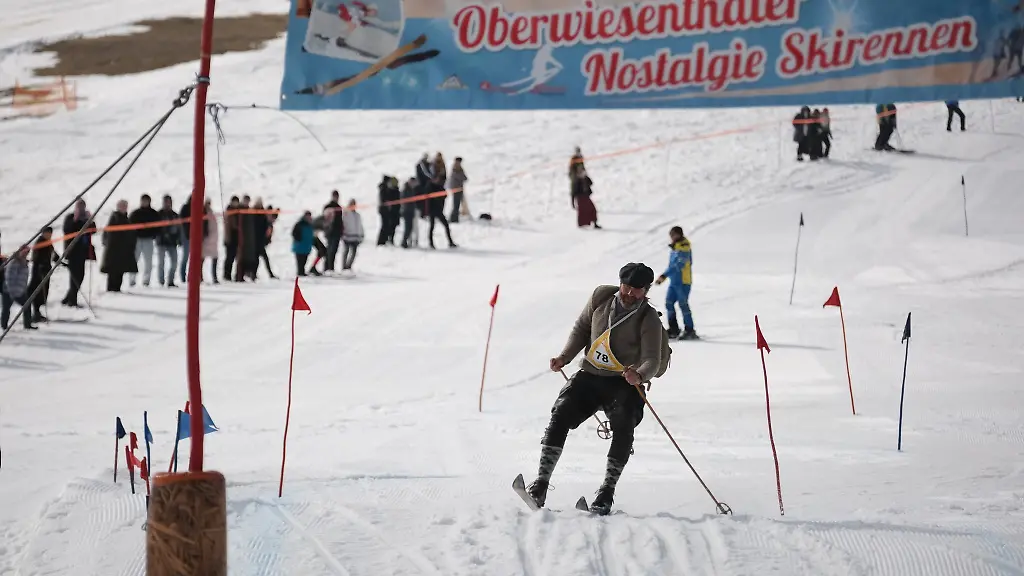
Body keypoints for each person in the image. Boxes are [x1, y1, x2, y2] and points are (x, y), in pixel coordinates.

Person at [526, 263, 664, 516]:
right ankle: (541, 484)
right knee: (560, 414)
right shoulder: (601, 298)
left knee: (624, 426)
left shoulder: (649, 318)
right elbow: (581, 329)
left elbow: (653, 359)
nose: (629, 293)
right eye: (626, 287)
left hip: (623, 383)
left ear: (646, 291)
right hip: (589, 376)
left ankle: (606, 493)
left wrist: (640, 374)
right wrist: (564, 357)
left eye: (637, 290)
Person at [654, 226, 697, 340]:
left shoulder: (684, 248)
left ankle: (690, 329)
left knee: (683, 304)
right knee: (669, 303)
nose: (672, 238)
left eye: (673, 235)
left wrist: (664, 275)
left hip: (683, 281)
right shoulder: (675, 247)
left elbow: (678, 265)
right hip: (674, 281)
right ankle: (673, 328)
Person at [101, 200, 138, 292]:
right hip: (113, 250)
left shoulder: (127, 219)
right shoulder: (114, 217)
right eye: (122, 206)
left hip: (123, 250)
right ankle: (111, 288)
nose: (124, 208)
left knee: (120, 270)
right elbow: (108, 233)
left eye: (125, 206)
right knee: (112, 270)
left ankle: (117, 288)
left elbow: (130, 233)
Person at [27, 227, 59, 322]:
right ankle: (35, 314)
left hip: (46, 271)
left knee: (43, 292)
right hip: (39, 271)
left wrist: (59, 261)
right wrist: (40, 264)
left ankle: (38, 313)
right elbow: (35, 256)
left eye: (50, 234)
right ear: (43, 233)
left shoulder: (48, 242)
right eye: (48, 233)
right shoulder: (40, 242)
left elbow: (53, 254)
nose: (49, 235)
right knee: (37, 291)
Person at [128, 193, 160, 287]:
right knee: (134, 260)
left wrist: (153, 234)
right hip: (137, 240)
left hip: (148, 240)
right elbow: (129, 225)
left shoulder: (154, 213)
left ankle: (146, 280)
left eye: (146, 201)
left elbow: (158, 226)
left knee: (148, 261)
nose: (144, 202)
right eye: (143, 201)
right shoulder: (135, 213)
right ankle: (132, 279)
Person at [1, 246, 36, 331]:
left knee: (27, 305)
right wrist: (12, 292)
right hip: (9, 290)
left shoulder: (23, 262)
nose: (25, 254)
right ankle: (4, 326)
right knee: (6, 308)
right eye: (24, 252)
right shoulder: (14, 262)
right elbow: (9, 278)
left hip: (19, 290)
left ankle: (27, 325)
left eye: (27, 252)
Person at [571, 164, 600, 228]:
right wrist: (572, 202)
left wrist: (586, 177)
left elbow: (591, 183)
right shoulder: (576, 180)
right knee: (582, 211)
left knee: (592, 209)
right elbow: (573, 192)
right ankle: (582, 224)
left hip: (586, 196)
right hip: (580, 198)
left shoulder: (585, 178)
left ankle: (594, 223)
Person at [341, 198, 365, 270]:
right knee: (346, 251)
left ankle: (349, 266)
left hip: (355, 236)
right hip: (347, 235)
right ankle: (344, 265)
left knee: (354, 253)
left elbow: (360, 225)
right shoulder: (345, 213)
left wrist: (361, 234)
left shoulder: (357, 215)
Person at [292, 211, 314, 276]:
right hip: (299, 246)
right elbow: (294, 233)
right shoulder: (299, 224)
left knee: (304, 261)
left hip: (306, 246)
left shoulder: (310, 224)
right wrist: (298, 239)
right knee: (300, 261)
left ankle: (302, 272)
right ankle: (300, 273)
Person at [448, 157, 469, 223]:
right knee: (456, 205)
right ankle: (453, 219)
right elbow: (460, 177)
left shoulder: (459, 169)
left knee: (457, 205)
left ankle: (454, 218)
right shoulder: (455, 169)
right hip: (456, 189)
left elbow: (465, 178)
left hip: (459, 189)